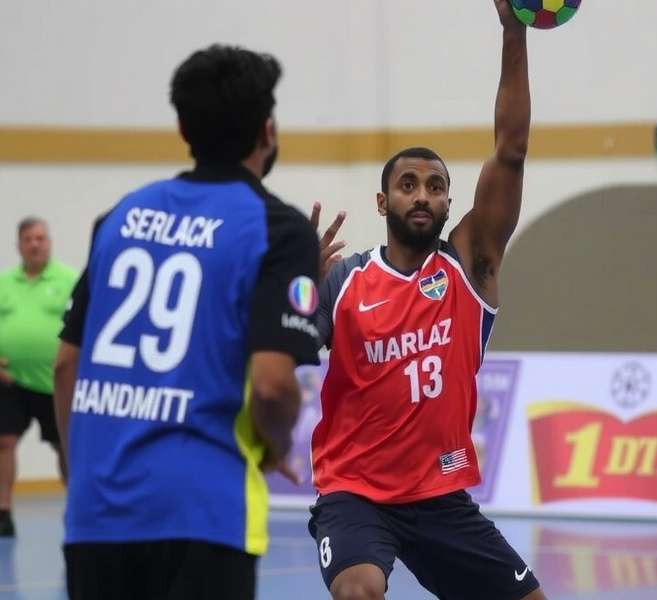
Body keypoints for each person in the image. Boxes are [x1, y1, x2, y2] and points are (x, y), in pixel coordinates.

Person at [52, 44, 320, 599]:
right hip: (205, 511)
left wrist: (82, 476)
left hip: (97, 513)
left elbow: (66, 365)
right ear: (267, 130)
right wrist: (276, 443)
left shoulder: (119, 216)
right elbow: (272, 386)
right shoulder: (279, 228)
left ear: (181, 126)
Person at [307, 2, 546, 598]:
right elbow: (283, 351)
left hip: (440, 497)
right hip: (354, 492)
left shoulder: (469, 264)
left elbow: (510, 149)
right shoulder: (345, 282)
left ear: (448, 201)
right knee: (359, 589)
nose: (422, 195)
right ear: (382, 202)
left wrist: (513, 31)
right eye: (407, 185)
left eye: (435, 186)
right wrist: (300, 290)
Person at [0, 218, 76, 536]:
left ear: (50, 243)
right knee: (4, 442)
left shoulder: (68, 280)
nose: (35, 244)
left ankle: (77, 507)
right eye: (29, 239)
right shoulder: (5, 283)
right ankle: (3, 511)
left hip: (54, 381)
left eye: (41, 238)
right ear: (19, 245)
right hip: (10, 380)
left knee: (65, 446)